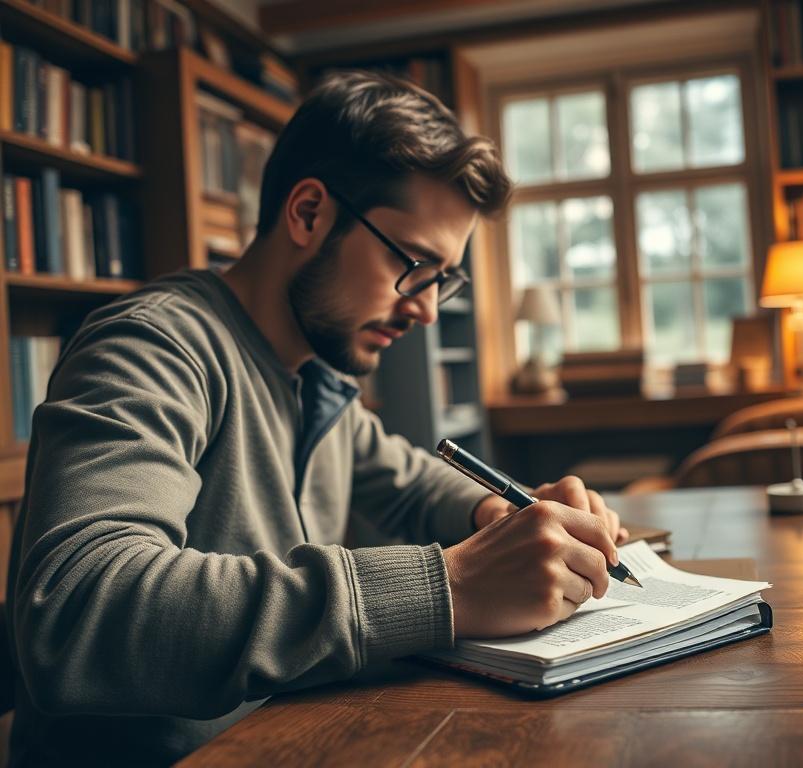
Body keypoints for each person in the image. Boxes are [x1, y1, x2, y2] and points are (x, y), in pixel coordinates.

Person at [4, 71, 629, 766]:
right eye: (416, 263)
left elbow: (413, 482)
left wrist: (513, 513)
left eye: (442, 278)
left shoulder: (316, 375)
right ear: (308, 213)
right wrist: (449, 586)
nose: (425, 308)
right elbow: (78, 609)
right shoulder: (154, 344)